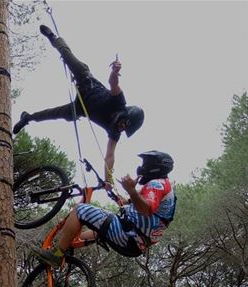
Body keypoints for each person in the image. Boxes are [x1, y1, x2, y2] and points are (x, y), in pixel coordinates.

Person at [13, 25, 144, 182]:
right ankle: (54, 38)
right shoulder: (119, 102)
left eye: (124, 129)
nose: (121, 128)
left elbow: (110, 156)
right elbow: (113, 83)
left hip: (81, 108)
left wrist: (108, 181)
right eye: (124, 124)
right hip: (86, 81)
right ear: (126, 114)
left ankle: (27, 118)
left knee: (54, 114)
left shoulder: (114, 132)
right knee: (68, 57)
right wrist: (115, 72)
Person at [31, 150, 175, 266]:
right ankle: (67, 245)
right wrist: (115, 195)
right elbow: (132, 205)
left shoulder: (157, 184)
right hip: (135, 241)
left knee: (80, 210)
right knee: (97, 229)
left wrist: (131, 189)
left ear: (155, 167)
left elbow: (146, 209)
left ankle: (57, 255)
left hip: (129, 235)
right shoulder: (164, 187)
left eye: (145, 164)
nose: (141, 167)